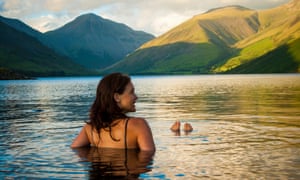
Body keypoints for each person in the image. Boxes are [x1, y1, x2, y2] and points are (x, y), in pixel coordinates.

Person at [71, 73, 155, 152]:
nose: (136, 97)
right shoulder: (138, 125)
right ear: (117, 97)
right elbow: (148, 157)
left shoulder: (90, 128)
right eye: (131, 92)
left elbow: (75, 149)